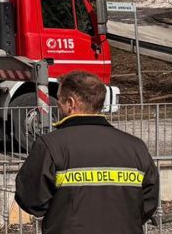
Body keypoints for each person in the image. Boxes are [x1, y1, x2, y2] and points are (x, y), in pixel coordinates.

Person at [15, 70, 159, 233]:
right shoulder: (136, 147)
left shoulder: (50, 145)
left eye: (60, 100)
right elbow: (148, 203)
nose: (58, 105)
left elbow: (30, 200)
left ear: (70, 103)